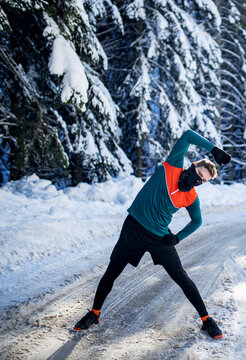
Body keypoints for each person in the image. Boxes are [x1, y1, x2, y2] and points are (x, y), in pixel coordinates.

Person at [74, 129, 231, 339]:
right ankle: (94, 314)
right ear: (194, 166)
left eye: (202, 180)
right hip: (134, 228)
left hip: (159, 237)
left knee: (181, 277)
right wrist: (213, 149)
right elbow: (186, 136)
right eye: (199, 173)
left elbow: (197, 221)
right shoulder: (172, 166)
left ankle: (206, 320)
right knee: (112, 271)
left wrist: (176, 238)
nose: (198, 179)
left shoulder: (191, 198)